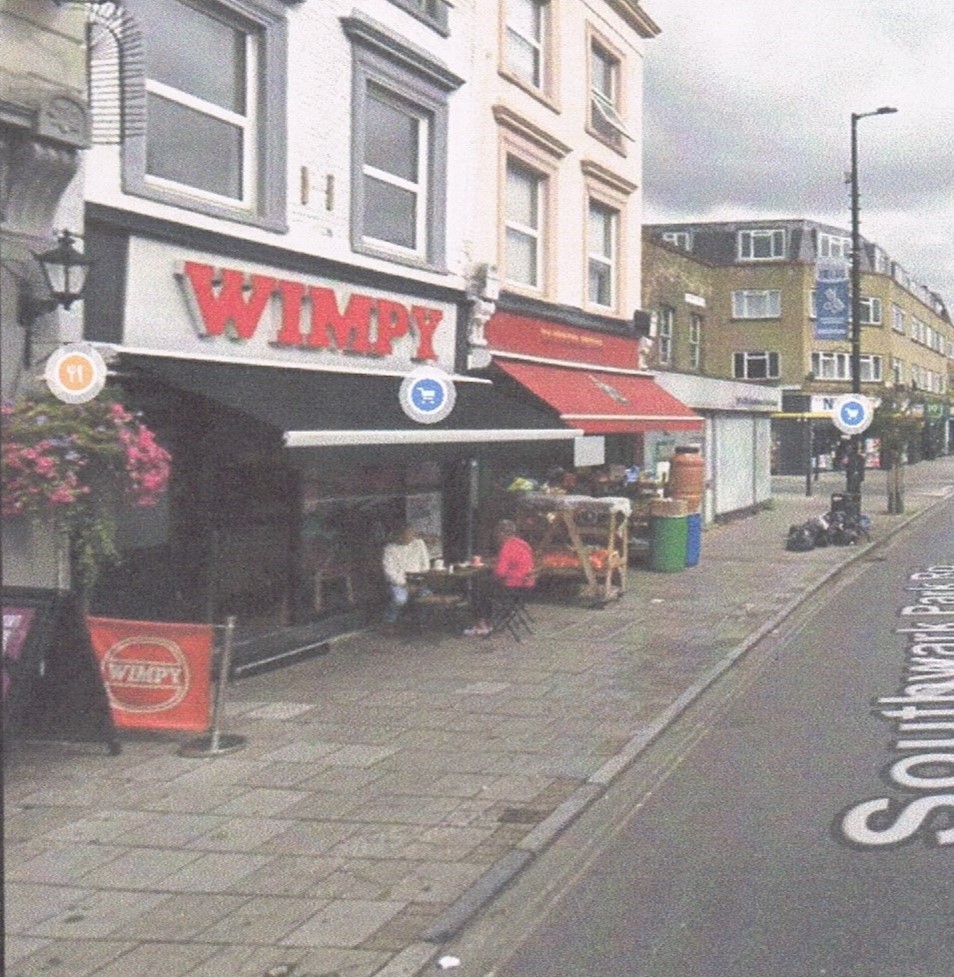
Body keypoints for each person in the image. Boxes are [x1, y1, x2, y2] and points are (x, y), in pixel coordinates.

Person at [464, 519, 535, 637]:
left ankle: (482, 626)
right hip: (526, 586)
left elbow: (500, 573)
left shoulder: (507, 547)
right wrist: (498, 561)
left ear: (501, 534)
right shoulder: (523, 544)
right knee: (486, 586)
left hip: (513, 587)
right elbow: (516, 561)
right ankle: (490, 620)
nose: (495, 537)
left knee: (478, 589)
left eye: (496, 534)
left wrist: (493, 568)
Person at [381, 524, 431, 624]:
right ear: (399, 536)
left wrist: (418, 582)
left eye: (412, 535)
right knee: (400, 599)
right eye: (405, 535)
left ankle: (421, 622)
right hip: (399, 582)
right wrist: (405, 584)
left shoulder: (419, 544)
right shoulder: (389, 549)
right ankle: (389, 622)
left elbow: (425, 565)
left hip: (418, 581)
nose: (410, 538)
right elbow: (389, 571)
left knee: (426, 596)